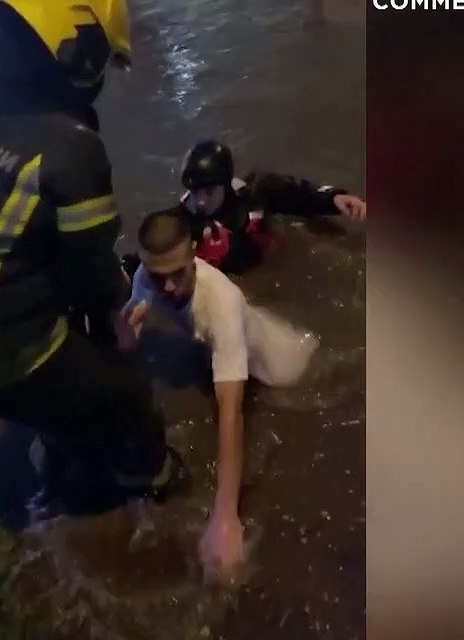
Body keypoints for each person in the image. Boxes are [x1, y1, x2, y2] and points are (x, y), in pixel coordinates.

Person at [0, 0, 185, 516]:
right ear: (80, 51)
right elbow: (94, 275)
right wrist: (117, 324)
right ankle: (151, 484)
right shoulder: (69, 147)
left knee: (68, 362)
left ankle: (59, 431)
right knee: (126, 395)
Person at [116, 210, 320, 581]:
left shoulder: (221, 302)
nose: (167, 288)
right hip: (237, 335)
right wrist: (125, 343)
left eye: (178, 273)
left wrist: (225, 516)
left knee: (277, 403)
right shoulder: (148, 277)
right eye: (157, 276)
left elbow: (230, 412)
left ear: (194, 252)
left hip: (283, 366)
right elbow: (130, 331)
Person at [123, 140, 368, 277]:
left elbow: (301, 194)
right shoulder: (181, 225)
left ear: (225, 185)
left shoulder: (255, 192)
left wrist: (335, 198)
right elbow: (148, 259)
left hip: (272, 259)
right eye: (196, 192)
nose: (200, 201)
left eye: (209, 192)